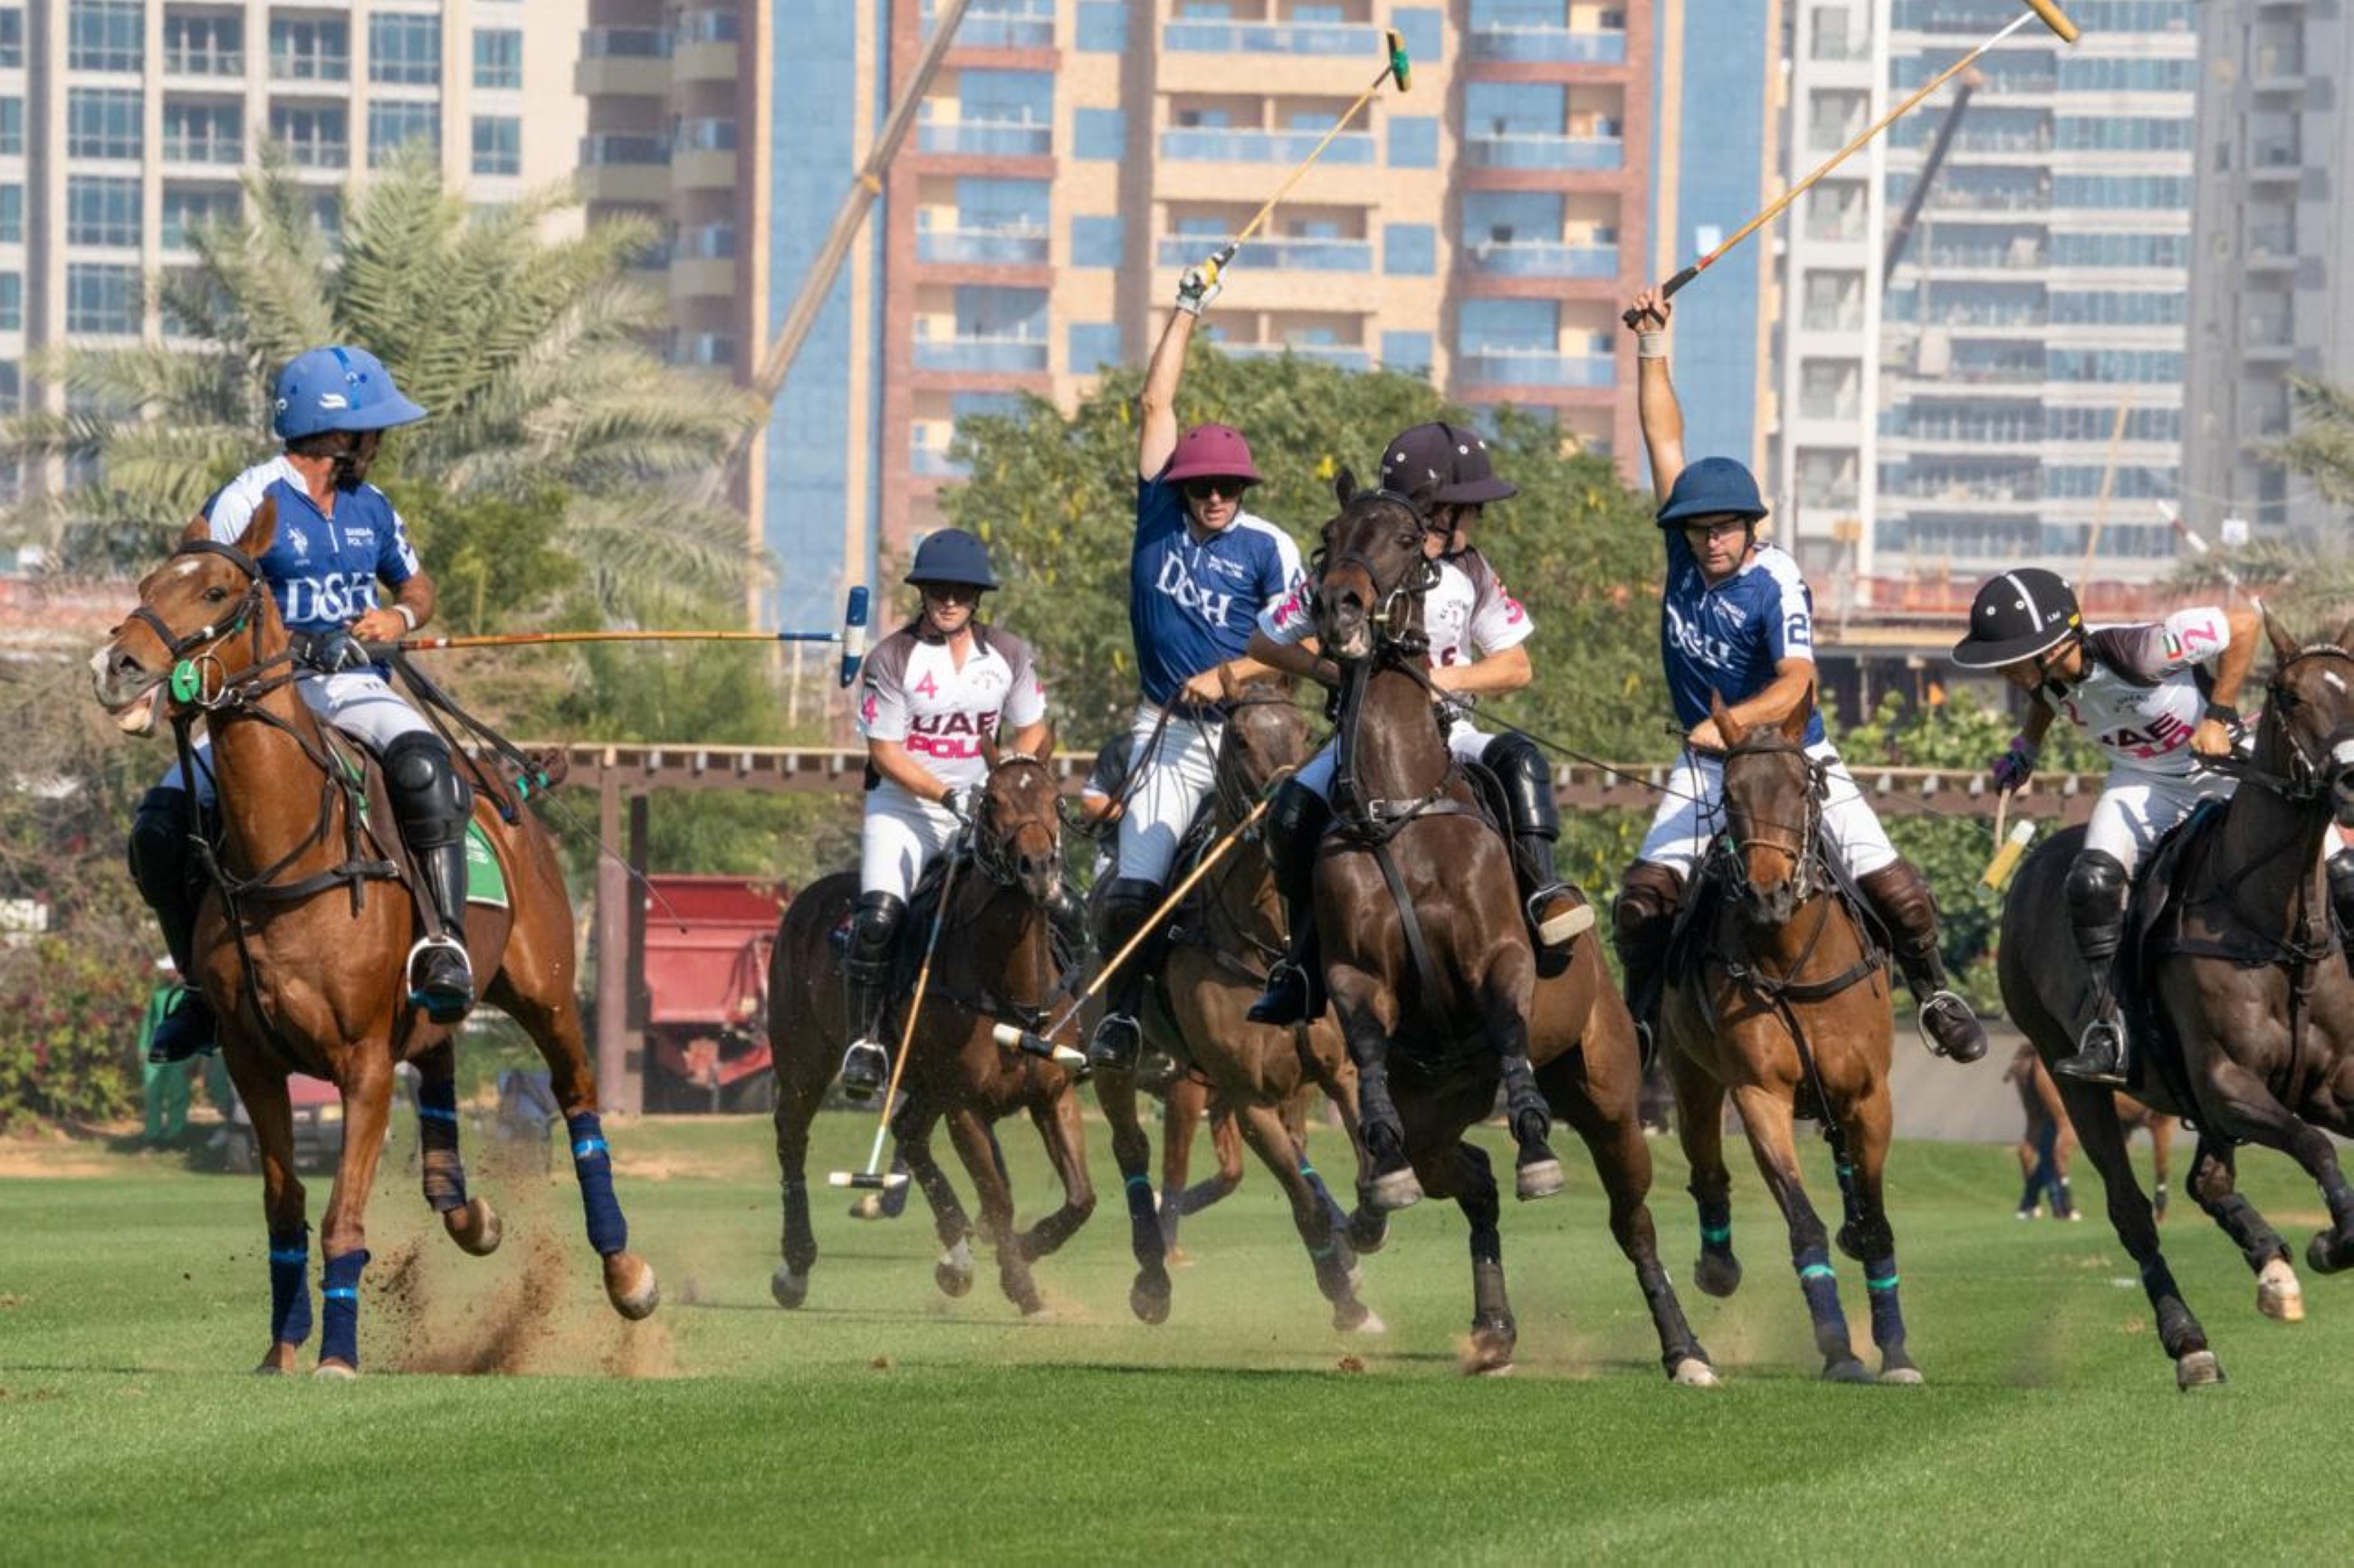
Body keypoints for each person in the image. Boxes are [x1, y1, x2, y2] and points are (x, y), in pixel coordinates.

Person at [1614, 292, 1986, 1064]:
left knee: (1901, 894)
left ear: (1750, 527)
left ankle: (1937, 994)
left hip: (1792, 762)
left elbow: (1798, 681)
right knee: (1641, 902)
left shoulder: (1775, 579)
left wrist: (1731, 725)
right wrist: (1653, 343)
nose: (1709, 540)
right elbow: (1663, 438)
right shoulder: (1685, 558)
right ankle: (1642, 1022)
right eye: (1697, 528)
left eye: (1722, 527)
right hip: (1708, 768)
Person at [127, 346, 476, 1064]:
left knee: (424, 767)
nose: (378, 444)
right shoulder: (250, 499)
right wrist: (165, 680)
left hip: (354, 689)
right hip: (262, 699)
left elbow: (417, 586)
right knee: (159, 830)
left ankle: (443, 946)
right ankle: (198, 991)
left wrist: (398, 621)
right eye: (372, 431)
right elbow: (188, 582)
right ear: (339, 435)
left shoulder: (371, 508)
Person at [1242, 420, 1594, 1025]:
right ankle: (1301, 959)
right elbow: (1264, 640)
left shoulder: (1473, 572)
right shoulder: (1358, 565)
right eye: (1470, 508)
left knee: (1521, 761)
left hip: (1450, 734)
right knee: (1291, 810)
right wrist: (1328, 674)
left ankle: (1542, 892)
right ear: (1439, 508)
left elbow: (1517, 665)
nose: (1476, 521)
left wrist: (1448, 683)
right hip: (1363, 743)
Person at [1947, 569, 2338, 1084]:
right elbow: (2048, 702)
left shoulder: (2141, 650)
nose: (2002, 673)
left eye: (2009, 662)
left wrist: (2217, 716)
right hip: (2144, 781)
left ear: (2051, 646)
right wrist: (2026, 749)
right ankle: (2112, 1031)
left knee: (2344, 870)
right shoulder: (2047, 677)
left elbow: (2242, 626)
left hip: (2222, 769)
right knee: (2091, 883)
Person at [1089, 258, 1303, 1074]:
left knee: (1326, 857)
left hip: (1262, 734)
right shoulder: (1155, 519)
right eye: (1202, 485)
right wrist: (1186, 304)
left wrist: (1235, 675)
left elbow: (1308, 648)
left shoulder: (1269, 545)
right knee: (1136, 882)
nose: (1215, 496)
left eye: (1228, 486)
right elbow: (1155, 403)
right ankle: (1124, 1021)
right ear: (1181, 486)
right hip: (1173, 739)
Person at [840, 528, 1049, 1101]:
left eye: (960, 591)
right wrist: (945, 794)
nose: (949, 601)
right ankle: (868, 1041)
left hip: (987, 810)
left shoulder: (1008, 653)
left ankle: (1056, 1018)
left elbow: (1033, 724)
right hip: (904, 809)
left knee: (1050, 896)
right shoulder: (891, 658)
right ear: (923, 593)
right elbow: (883, 750)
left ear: (977, 596)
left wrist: (1014, 768)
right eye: (938, 591)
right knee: (880, 917)